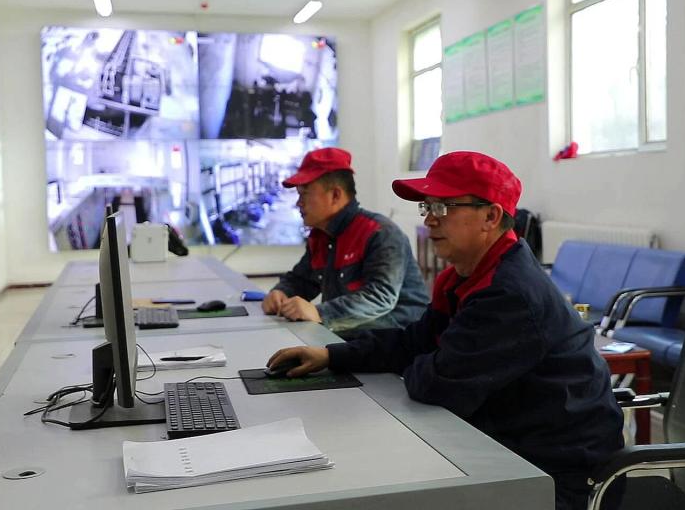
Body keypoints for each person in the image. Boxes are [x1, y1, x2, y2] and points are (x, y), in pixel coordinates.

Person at [268, 151, 624, 510]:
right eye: (427, 207)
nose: (430, 220)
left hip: (556, 477)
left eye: (443, 207)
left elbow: (437, 385)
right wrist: (330, 355)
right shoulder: (463, 277)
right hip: (503, 446)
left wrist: (426, 361)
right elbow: (413, 342)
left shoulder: (509, 293)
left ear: (491, 216)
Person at [263, 147, 429, 338]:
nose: (298, 203)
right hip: (351, 340)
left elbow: (380, 297)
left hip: (397, 342)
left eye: (304, 194)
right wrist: (281, 293)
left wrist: (319, 313)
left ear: (335, 195)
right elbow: (302, 279)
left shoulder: (380, 233)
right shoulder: (321, 236)